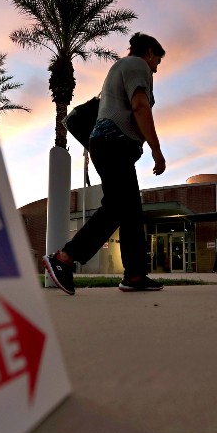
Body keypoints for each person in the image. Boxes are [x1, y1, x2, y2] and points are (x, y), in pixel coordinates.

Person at [43, 32, 167, 294]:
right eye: (157, 61)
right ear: (149, 53)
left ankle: (134, 275)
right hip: (114, 144)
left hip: (108, 144)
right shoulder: (137, 65)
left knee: (131, 211)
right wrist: (157, 150)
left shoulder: (118, 69)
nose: (156, 68)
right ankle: (63, 258)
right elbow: (140, 106)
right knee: (117, 207)